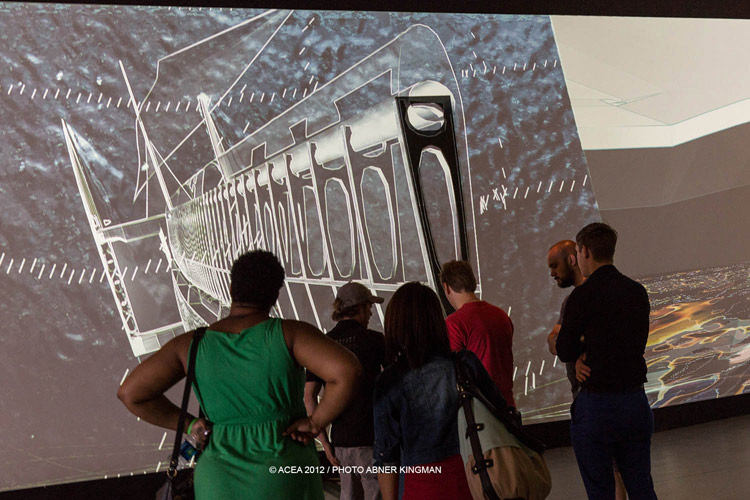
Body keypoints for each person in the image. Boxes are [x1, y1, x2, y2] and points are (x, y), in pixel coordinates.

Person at [117, 250, 362, 500]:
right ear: (275, 294)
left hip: (218, 477)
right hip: (282, 470)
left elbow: (130, 393)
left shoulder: (192, 344)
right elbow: (347, 371)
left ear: (232, 288)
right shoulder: (289, 334)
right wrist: (315, 422)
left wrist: (191, 424)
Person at [373, 282, 508, 500]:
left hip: (421, 483)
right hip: (473, 474)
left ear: (395, 325)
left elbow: (386, 455)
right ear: (436, 320)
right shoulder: (465, 363)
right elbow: (500, 411)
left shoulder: (389, 380)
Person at [556, 223, 658, 500]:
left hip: (597, 407)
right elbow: (636, 341)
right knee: (641, 485)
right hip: (635, 402)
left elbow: (564, 349)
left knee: (601, 491)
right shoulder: (637, 292)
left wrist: (584, 348)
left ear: (585, 251)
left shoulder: (582, 296)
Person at [546, 239, 628, 500]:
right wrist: (575, 349)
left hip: (601, 402)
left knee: (615, 477)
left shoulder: (597, 296)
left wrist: (578, 348)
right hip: (588, 401)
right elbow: (553, 340)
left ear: (574, 259)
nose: (552, 273)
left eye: (555, 265)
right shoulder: (570, 303)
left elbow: (614, 338)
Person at [304, 281, 385, 500]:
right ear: (358, 307)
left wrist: (325, 442)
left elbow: (309, 396)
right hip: (372, 440)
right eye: (369, 307)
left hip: (339, 442)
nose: (370, 313)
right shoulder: (376, 341)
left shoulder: (323, 344)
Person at [441, 260, 515, 407]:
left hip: (480, 410)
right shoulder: (501, 315)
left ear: (446, 287)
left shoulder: (454, 324)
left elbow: (454, 374)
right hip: (507, 406)